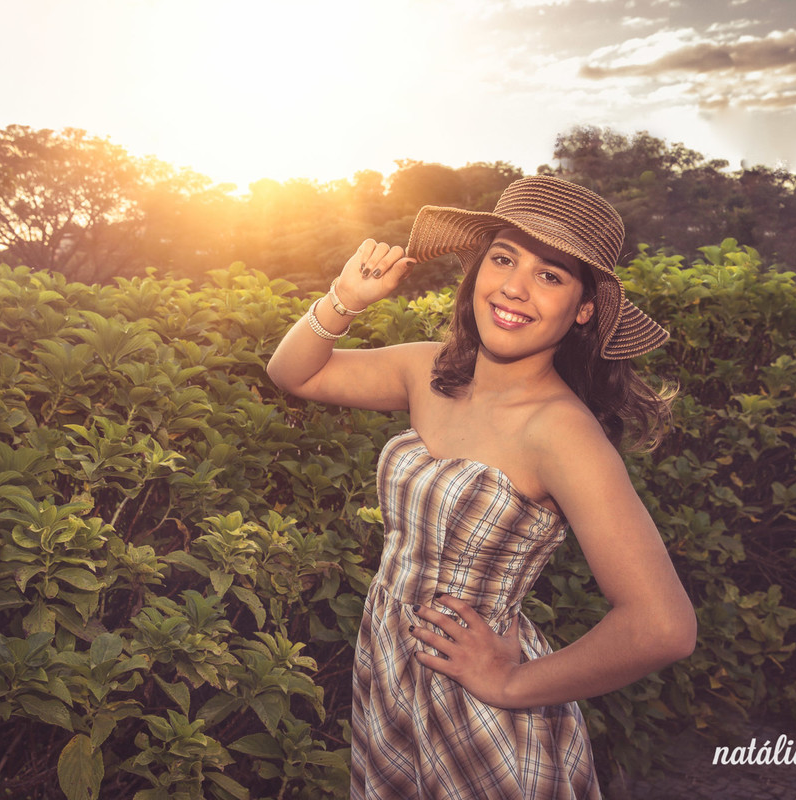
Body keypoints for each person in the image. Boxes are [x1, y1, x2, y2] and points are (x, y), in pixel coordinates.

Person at [266, 176, 697, 799]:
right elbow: (294, 372)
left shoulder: (563, 434)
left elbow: (664, 626)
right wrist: (345, 297)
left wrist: (511, 684)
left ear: (584, 309)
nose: (514, 287)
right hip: (389, 673)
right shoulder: (429, 371)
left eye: (550, 275)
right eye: (503, 259)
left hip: (479, 710)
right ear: (476, 272)